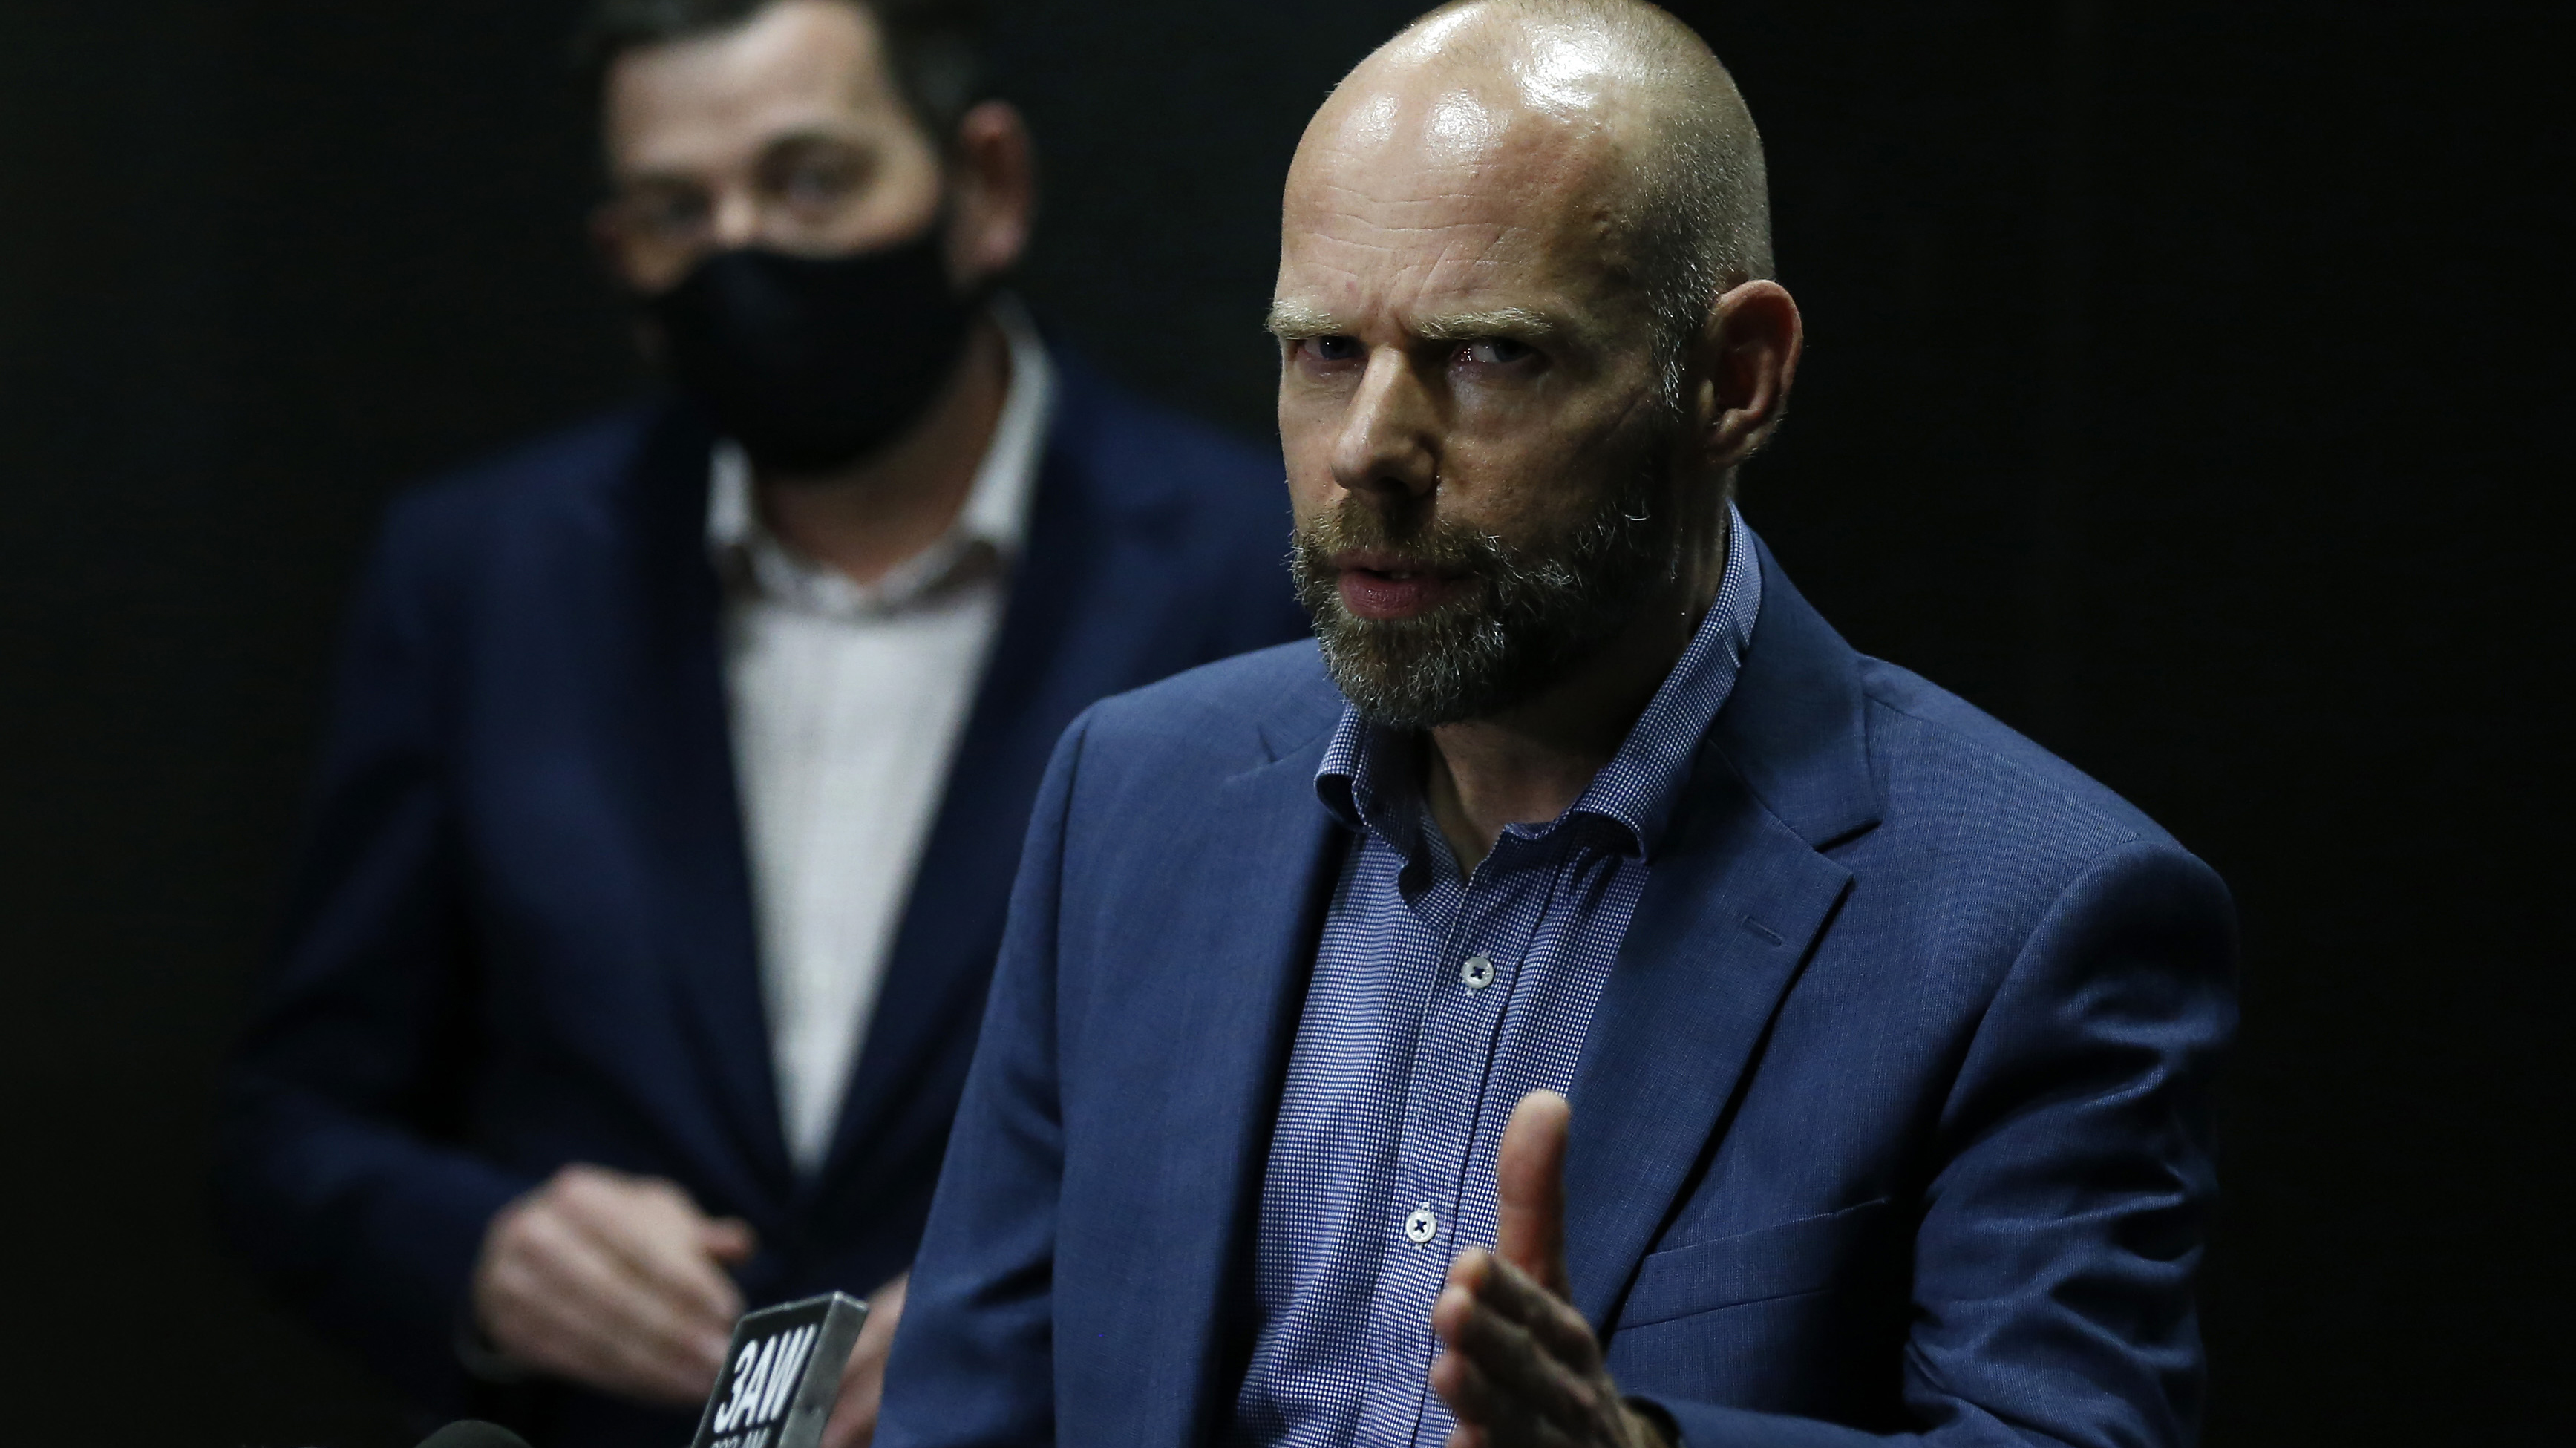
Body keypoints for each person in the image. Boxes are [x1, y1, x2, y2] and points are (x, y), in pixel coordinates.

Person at [874, 1, 2237, 1446]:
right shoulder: (1133, 799)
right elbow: (971, 1413)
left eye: (1486, 358)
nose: (1367, 452)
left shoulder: (2031, 913)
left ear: (1735, 379)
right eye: (1323, 350)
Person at [212, 1, 1307, 1444]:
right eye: (678, 211)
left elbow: (1391, 1102)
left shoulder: (1266, 571)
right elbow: (293, 1120)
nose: (744, 252)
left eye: (809, 181)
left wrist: (1073, 1285)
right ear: (622, 262)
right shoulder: (484, 575)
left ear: (984, 189)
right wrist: (482, 1256)